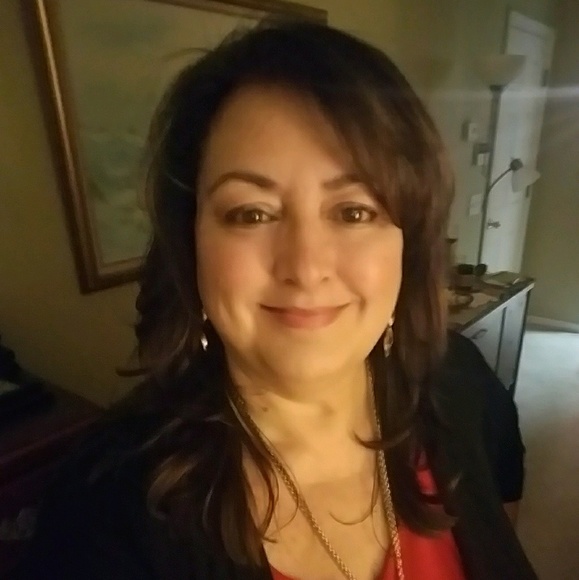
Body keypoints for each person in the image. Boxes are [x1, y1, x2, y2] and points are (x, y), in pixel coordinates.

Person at [13, 19, 535, 580]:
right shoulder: (102, 509)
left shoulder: (461, 383)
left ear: (408, 243)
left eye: (353, 211)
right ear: (191, 244)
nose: (305, 267)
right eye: (252, 214)